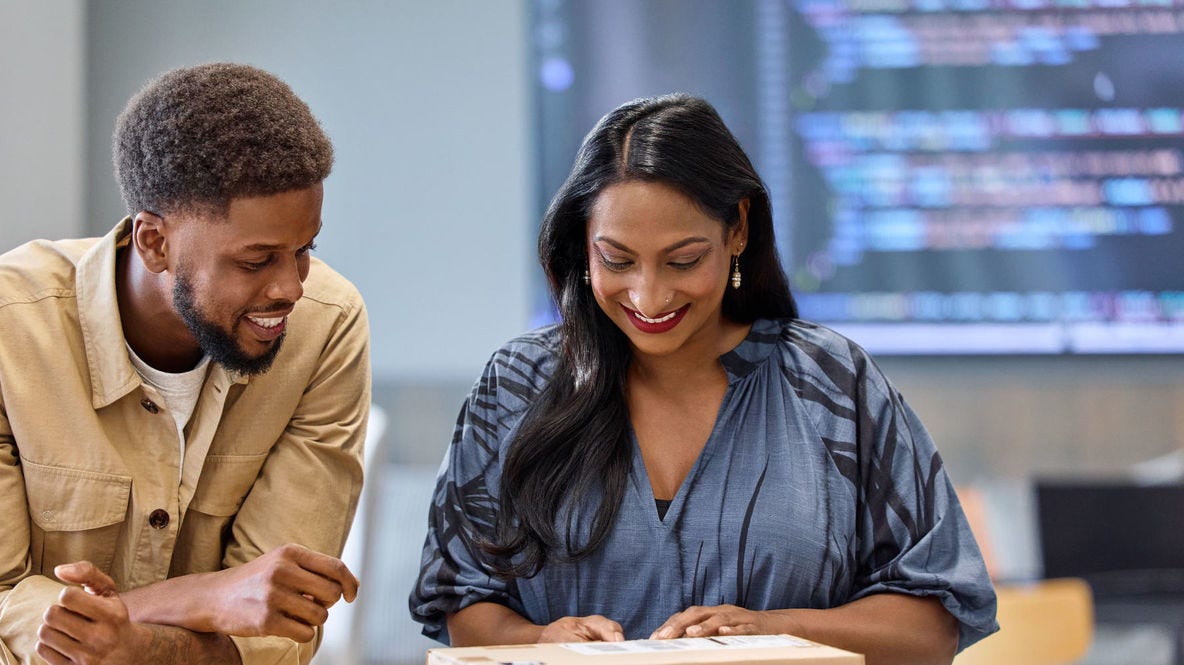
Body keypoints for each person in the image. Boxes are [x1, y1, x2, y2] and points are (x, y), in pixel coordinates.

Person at [410, 94, 997, 664]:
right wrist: (538, 643)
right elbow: (464, 601)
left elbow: (932, 627)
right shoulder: (517, 386)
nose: (649, 296)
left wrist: (769, 631)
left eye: (683, 260)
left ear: (738, 229)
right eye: (616, 260)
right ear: (582, 245)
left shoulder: (833, 386)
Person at [0, 63, 370, 664]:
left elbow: (280, 628)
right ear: (154, 242)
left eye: (304, 250)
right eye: (256, 261)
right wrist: (202, 597)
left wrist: (133, 636)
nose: (291, 288)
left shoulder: (326, 328)